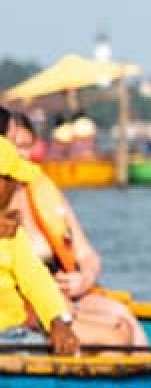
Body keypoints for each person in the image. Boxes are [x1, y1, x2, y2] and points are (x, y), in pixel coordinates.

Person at [0, 124, 116, 354]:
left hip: (12, 332)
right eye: (13, 181)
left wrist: (58, 321)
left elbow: (34, 278)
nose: (16, 188)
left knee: (119, 326)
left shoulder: (12, 233)